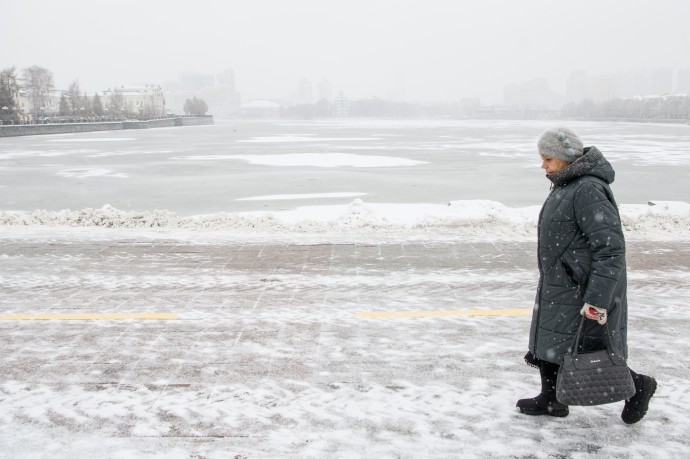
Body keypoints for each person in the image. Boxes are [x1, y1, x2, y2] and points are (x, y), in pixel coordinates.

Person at [516, 127, 657, 424]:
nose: (543, 165)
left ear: (566, 158)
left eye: (548, 159)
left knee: (589, 350)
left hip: (582, 286)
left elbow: (611, 250)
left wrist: (597, 298)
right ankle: (552, 398)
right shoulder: (566, 183)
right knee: (554, 340)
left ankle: (639, 387)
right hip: (562, 281)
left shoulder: (587, 188)